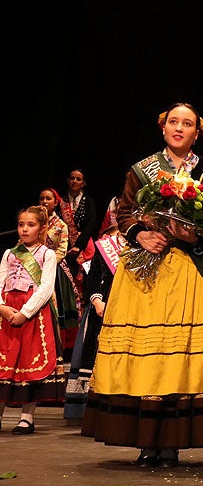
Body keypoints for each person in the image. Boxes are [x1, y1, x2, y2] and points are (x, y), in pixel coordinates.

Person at [81, 102, 203, 468]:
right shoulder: (141, 170)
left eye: (188, 124)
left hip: (186, 269)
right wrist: (142, 234)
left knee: (176, 354)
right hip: (143, 271)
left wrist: (189, 231)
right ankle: (143, 441)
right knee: (143, 353)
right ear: (163, 129)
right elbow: (125, 212)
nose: (180, 128)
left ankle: (173, 442)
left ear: (198, 132)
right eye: (174, 122)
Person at [0, 205, 64, 434]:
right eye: (21, 224)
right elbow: (0, 282)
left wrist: (25, 313)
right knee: (4, 363)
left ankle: (27, 417)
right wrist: (3, 308)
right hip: (7, 312)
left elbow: (46, 287)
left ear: (42, 228)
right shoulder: (9, 253)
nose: (25, 229)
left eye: (31, 225)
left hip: (32, 314)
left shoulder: (47, 254)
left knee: (29, 361)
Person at [64, 198, 121, 423]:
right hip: (101, 309)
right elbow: (93, 278)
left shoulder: (144, 247)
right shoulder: (105, 246)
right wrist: (97, 301)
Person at [38, 187, 79, 350]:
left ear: (55, 203)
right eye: (42, 198)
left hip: (54, 269)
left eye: (48, 199)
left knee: (59, 307)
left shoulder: (61, 225)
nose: (44, 202)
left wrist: (46, 264)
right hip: (33, 267)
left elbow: (62, 250)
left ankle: (59, 348)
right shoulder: (34, 221)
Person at [60, 168, 99, 293]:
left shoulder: (89, 201)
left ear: (83, 183)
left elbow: (91, 225)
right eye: (72, 178)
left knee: (84, 282)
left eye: (78, 179)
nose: (74, 181)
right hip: (64, 247)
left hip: (83, 247)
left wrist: (78, 245)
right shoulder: (61, 202)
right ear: (67, 180)